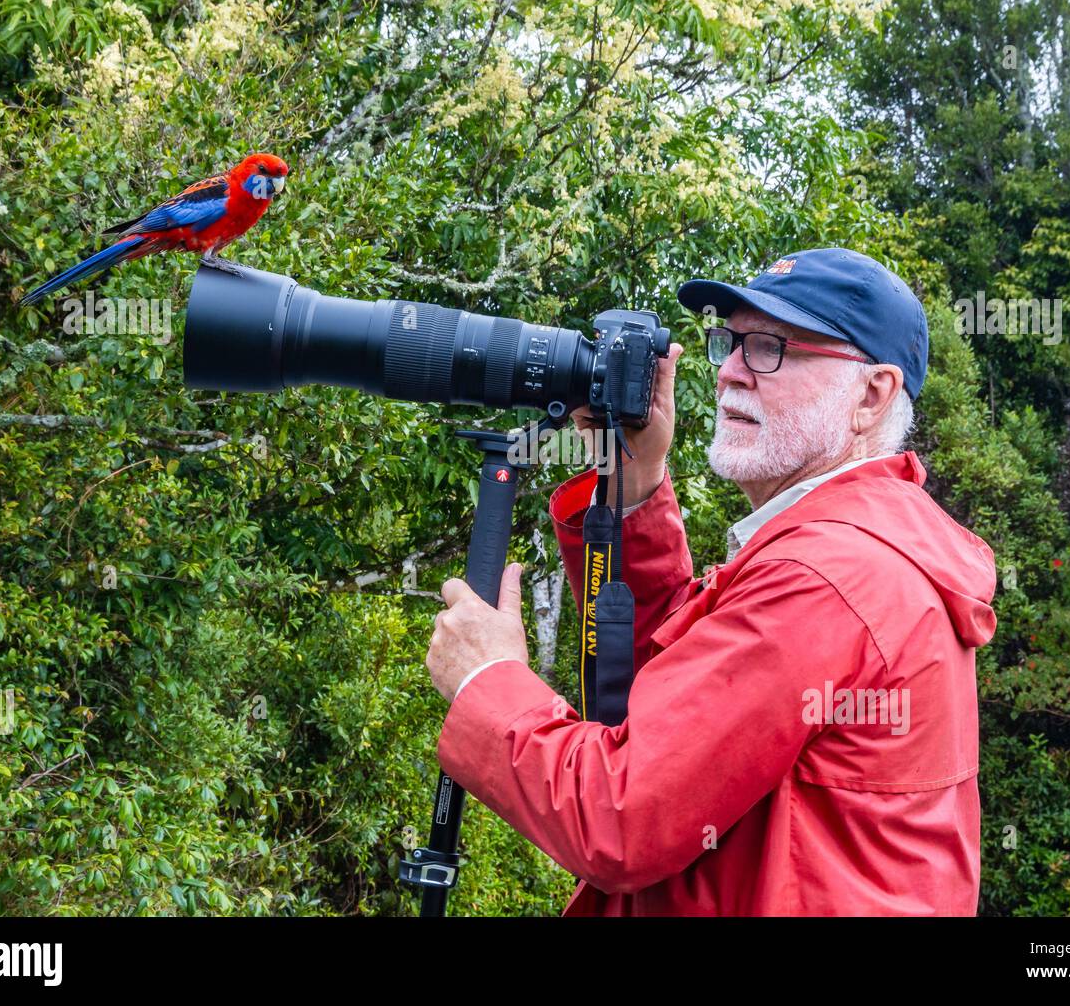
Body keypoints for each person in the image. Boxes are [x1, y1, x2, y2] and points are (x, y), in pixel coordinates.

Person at [424, 247, 998, 915]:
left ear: (872, 395)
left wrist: (486, 682)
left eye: (770, 348)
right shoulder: (852, 544)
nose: (728, 373)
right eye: (729, 343)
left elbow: (622, 815)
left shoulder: (828, 577)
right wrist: (631, 488)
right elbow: (682, 698)